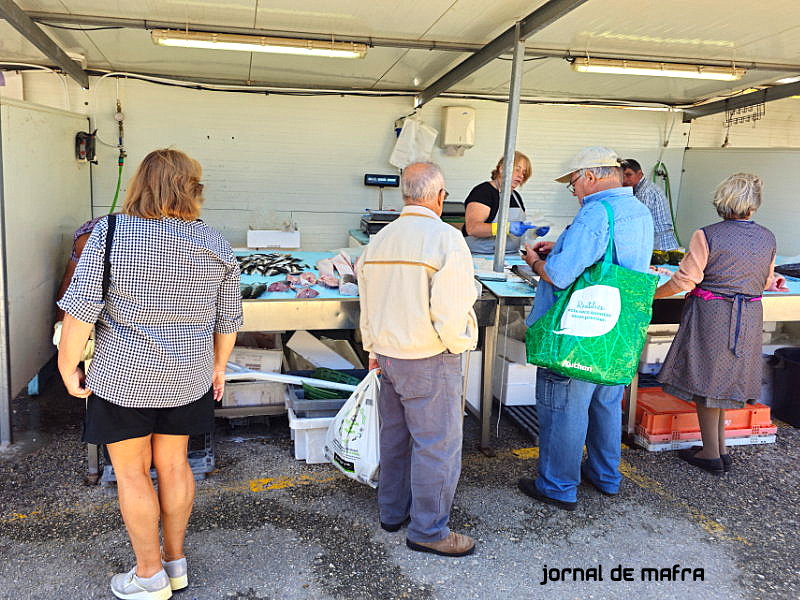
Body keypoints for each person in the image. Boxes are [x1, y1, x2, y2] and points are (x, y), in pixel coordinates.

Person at [57, 149, 243, 599]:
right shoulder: (214, 243)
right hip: (188, 377)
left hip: (123, 377)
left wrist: (67, 366)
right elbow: (228, 321)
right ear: (192, 189)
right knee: (176, 466)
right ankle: (175, 564)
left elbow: (81, 312)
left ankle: (149, 575)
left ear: (141, 183)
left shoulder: (111, 233)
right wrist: (218, 369)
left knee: (133, 474)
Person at [519, 147, 653, 510]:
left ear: (590, 177)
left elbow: (560, 276)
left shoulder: (595, 213)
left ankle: (557, 486)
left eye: (573, 184)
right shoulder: (639, 212)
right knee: (606, 405)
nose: (575, 192)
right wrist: (561, 246)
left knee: (564, 406)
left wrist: (535, 260)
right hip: (615, 333)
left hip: (578, 331)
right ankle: (606, 476)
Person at [357, 162, 479, 557]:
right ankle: (428, 530)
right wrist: (458, 344)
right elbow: (450, 310)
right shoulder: (446, 239)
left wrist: (372, 349)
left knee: (395, 439)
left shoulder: (378, 240)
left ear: (404, 194)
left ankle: (392, 513)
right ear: (440, 196)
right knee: (436, 446)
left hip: (387, 357)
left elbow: (367, 303)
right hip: (428, 356)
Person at [654, 173, 787, 475]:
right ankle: (719, 448)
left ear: (721, 201)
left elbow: (685, 280)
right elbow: (765, 280)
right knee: (723, 382)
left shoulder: (707, 234)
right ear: (754, 205)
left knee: (707, 381)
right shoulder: (768, 236)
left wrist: (653, 295)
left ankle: (711, 453)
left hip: (713, 314)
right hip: (750, 315)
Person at [463, 150, 536, 254]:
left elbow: (518, 232)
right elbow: (473, 228)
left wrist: (533, 232)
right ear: (502, 169)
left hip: (510, 256)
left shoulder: (516, 197)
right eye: (517, 170)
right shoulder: (483, 192)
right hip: (481, 256)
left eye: (524, 172)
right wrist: (506, 228)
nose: (521, 175)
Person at [621, 158, 679, 251]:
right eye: (622, 176)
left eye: (629, 175)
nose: (625, 180)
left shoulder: (644, 192)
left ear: (640, 174)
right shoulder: (644, 187)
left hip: (660, 245)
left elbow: (640, 224)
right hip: (662, 242)